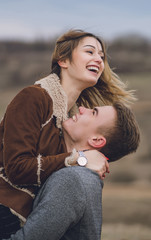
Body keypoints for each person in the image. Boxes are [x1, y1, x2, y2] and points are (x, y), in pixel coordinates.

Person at [0, 29, 136, 238]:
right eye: (90, 51)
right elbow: (17, 168)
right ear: (63, 60)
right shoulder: (34, 98)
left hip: (21, 220)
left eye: (101, 56)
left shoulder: (66, 123)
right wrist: (79, 158)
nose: (98, 59)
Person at [3, 102, 140, 240]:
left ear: (96, 140)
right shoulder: (81, 176)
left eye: (93, 112)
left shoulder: (72, 180)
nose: (81, 109)